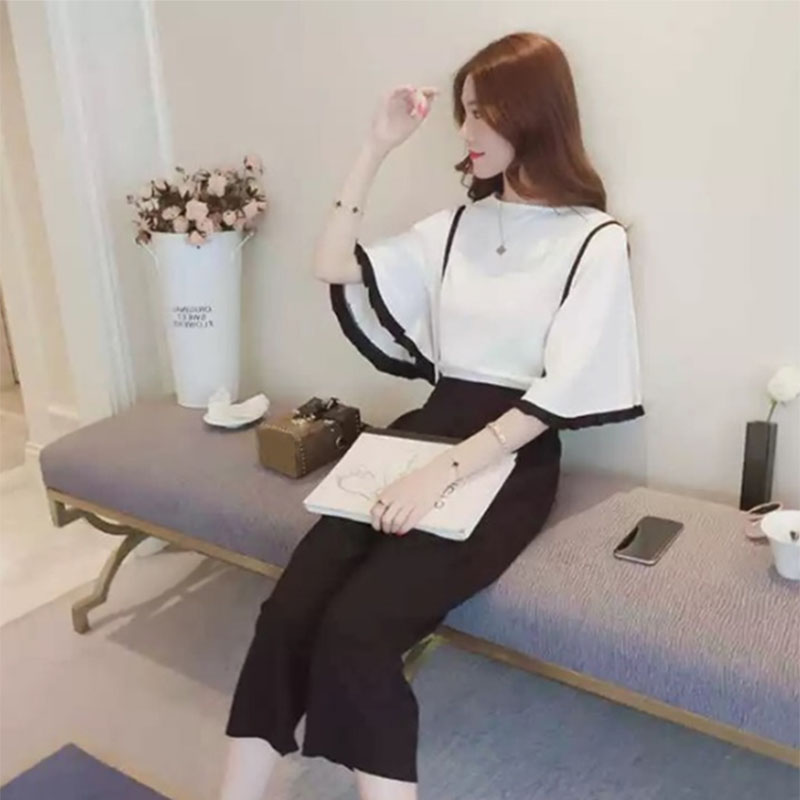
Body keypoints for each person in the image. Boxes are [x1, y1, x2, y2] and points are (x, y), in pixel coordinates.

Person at [219, 31, 644, 800]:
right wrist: (375, 147)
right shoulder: (453, 227)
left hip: (510, 456)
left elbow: (562, 391)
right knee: (287, 611)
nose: (466, 131)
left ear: (532, 114)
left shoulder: (594, 240)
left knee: (358, 630)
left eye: (482, 112)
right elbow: (332, 264)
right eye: (464, 112)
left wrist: (441, 473)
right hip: (420, 432)